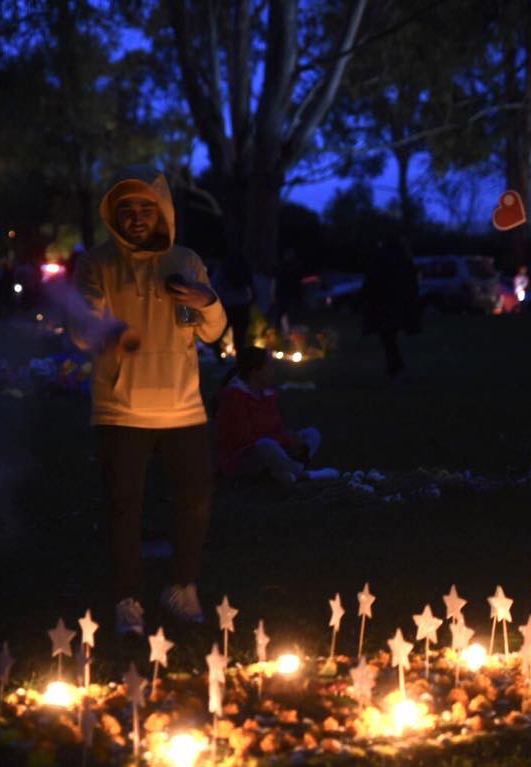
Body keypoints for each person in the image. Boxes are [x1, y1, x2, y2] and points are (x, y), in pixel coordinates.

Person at [71, 167, 227, 636]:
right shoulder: (97, 264)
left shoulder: (184, 259)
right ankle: (128, 599)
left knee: (195, 501)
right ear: (113, 216)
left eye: (145, 208)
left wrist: (207, 300)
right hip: (122, 409)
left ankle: (181, 586)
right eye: (126, 210)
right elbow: (82, 331)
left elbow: (213, 332)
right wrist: (103, 327)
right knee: (125, 506)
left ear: (162, 212)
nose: (137, 217)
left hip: (183, 407)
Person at [216, 347, 339, 485]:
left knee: (312, 434)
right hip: (242, 458)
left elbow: (276, 428)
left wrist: (291, 439)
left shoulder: (267, 394)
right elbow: (244, 439)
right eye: (269, 366)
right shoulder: (234, 396)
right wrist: (285, 440)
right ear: (255, 371)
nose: (273, 371)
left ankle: (282, 472)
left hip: (274, 447)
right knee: (266, 446)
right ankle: (302, 474)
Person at [361, 234, 420, 380]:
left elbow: (371, 281)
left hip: (383, 306)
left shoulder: (380, 258)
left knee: (388, 339)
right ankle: (394, 369)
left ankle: (396, 369)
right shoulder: (403, 259)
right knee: (389, 339)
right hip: (398, 306)